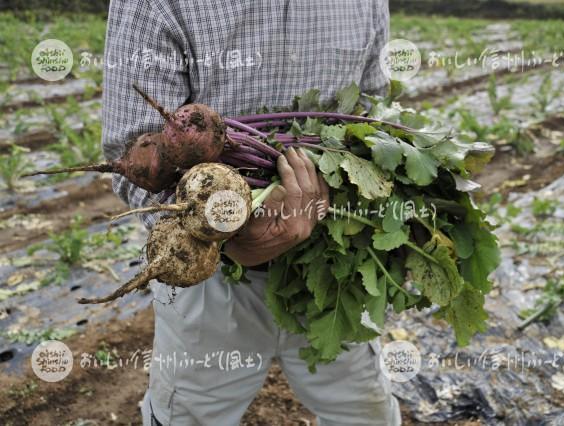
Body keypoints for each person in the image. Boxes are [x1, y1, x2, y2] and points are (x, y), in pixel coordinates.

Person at [102, 1, 400, 425]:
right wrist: (223, 238)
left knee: (363, 412)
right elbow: (131, 155)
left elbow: (372, 113)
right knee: (189, 414)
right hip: (207, 271)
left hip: (335, 266)